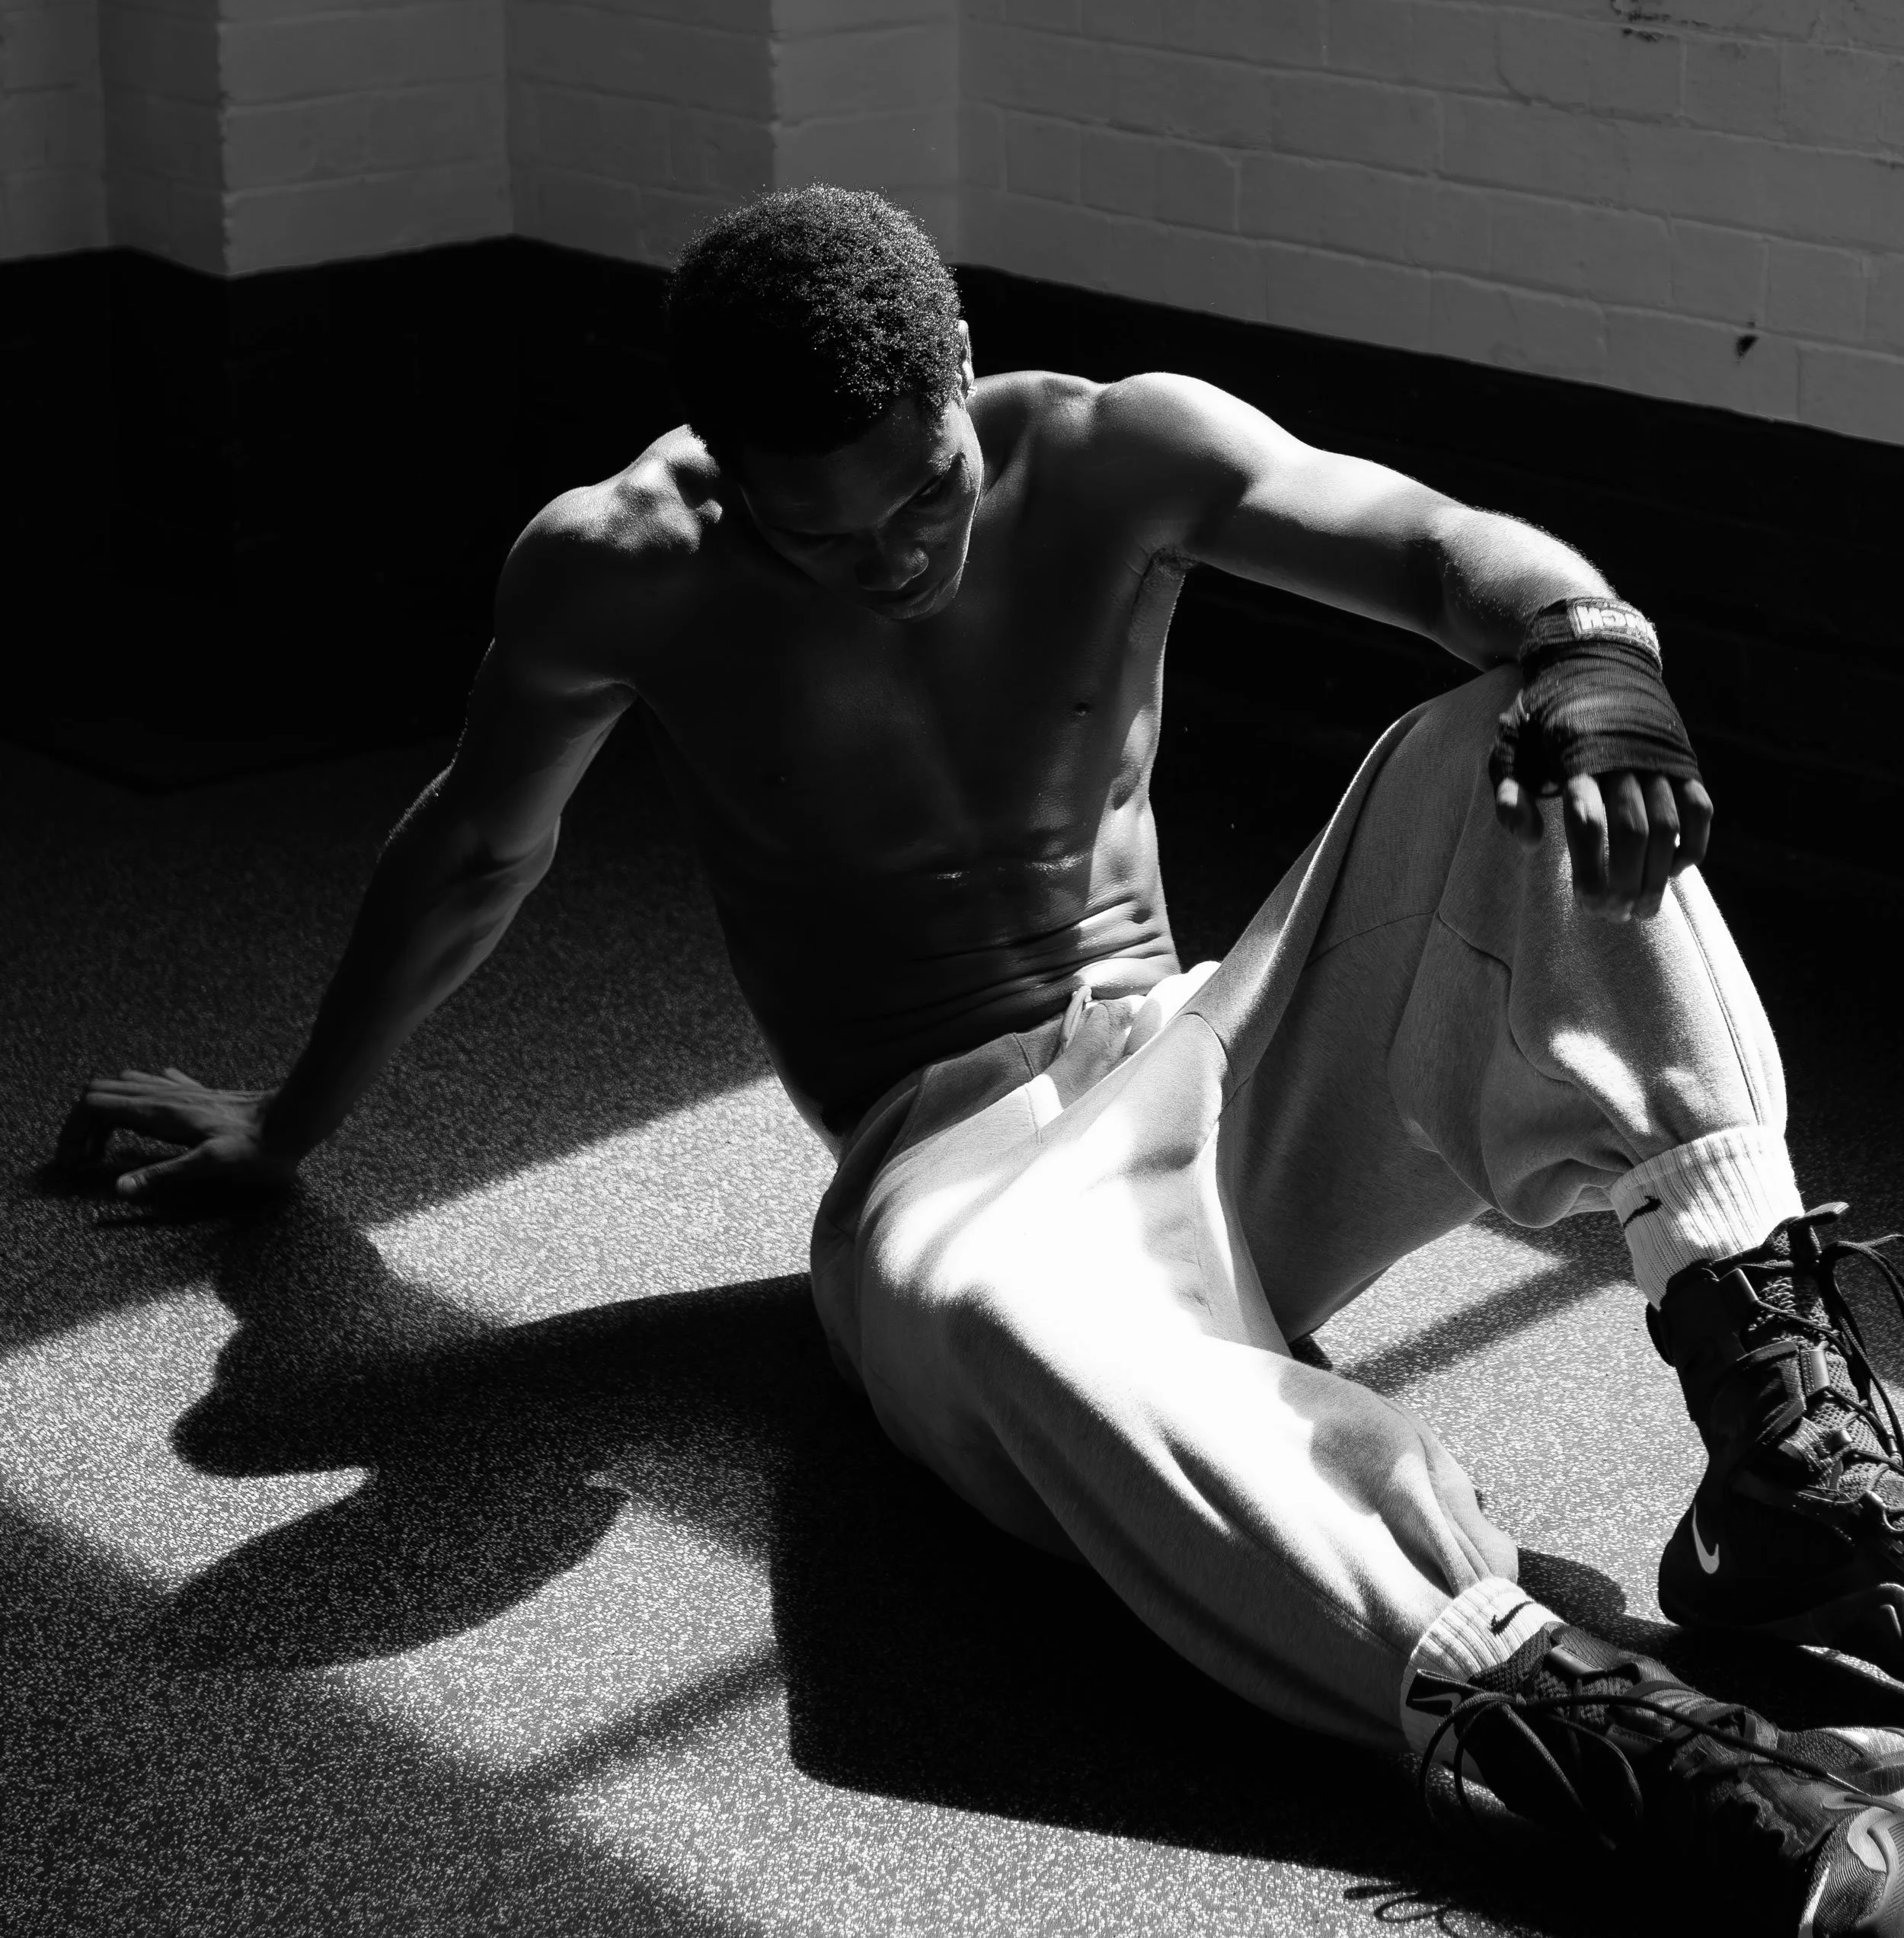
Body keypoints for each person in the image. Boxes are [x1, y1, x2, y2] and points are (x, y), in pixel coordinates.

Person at [62, 187, 1904, 1930]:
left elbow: (1435, 549)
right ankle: (1606, 1742)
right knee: (997, 1310)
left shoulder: (1113, 448)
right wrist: (286, 1121)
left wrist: (1591, 645)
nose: (898, 556)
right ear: (722, 469)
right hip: (952, 1161)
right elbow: (476, 849)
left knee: (1529, 721)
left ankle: (1787, 1468)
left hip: (1203, 1052)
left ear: (961, 369)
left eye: (924, 489)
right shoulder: (614, 566)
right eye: (825, 533)